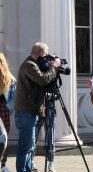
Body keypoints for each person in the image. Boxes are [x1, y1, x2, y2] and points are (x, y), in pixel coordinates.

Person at [14, 42, 61, 172]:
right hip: (26, 112)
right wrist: (54, 67)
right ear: (41, 54)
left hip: (30, 112)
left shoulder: (32, 64)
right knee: (25, 146)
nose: (47, 58)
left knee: (30, 146)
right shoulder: (29, 65)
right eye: (46, 55)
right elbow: (43, 79)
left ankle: (28, 169)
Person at [0, 53, 16, 171]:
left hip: (3, 109)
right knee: (3, 138)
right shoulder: (10, 77)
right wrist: (7, 107)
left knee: (3, 137)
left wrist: (7, 107)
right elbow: (13, 98)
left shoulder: (9, 78)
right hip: (3, 109)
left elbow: (13, 97)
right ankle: (3, 165)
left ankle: (3, 164)